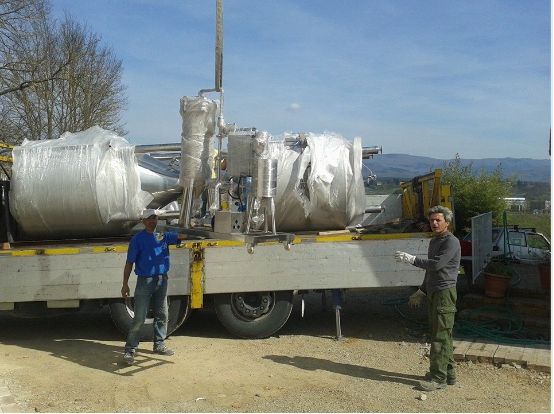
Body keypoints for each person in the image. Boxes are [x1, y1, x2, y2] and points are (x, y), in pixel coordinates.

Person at [395, 205, 460, 392]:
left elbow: (436, 264)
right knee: (441, 334)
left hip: (444, 293)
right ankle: (448, 374)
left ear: (447, 223)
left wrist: (412, 259)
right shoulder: (435, 241)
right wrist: (422, 291)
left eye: (438, 220)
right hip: (434, 291)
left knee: (440, 336)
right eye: (432, 220)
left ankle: (438, 378)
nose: (434, 223)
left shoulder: (451, 242)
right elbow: (430, 270)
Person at [121, 208, 187, 365]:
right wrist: (125, 284)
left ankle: (159, 345)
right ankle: (130, 349)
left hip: (161, 280)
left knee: (162, 314)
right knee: (139, 318)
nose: (152, 221)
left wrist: (188, 224)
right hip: (145, 281)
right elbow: (129, 263)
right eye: (149, 218)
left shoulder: (162, 236)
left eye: (155, 218)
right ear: (143, 221)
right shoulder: (137, 240)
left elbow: (182, 236)